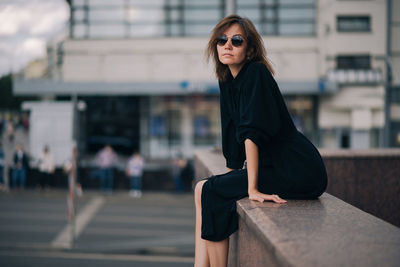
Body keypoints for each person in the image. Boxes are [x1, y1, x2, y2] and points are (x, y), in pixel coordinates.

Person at [195, 15, 328, 267]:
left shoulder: (256, 72)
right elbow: (230, 131)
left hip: (297, 169)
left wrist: (252, 189)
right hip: (274, 167)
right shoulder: (227, 81)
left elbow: (251, 133)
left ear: (250, 49)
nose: (227, 46)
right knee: (202, 189)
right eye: (222, 40)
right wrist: (231, 176)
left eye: (236, 41)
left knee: (211, 191)